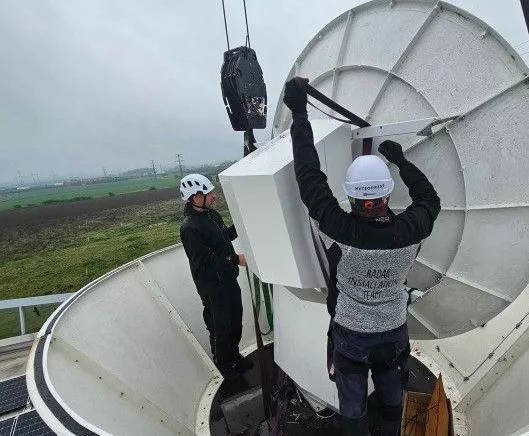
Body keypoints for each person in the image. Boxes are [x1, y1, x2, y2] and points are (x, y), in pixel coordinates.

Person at [283, 77, 441, 436]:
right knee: (390, 401)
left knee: (353, 408)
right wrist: (400, 160)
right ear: (388, 193)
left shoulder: (338, 227)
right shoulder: (411, 229)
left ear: (350, 196)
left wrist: (299, 112)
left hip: (352, 337)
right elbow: (430, 200)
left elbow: (308, 176)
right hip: (393, 334)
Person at [179, 174, 253, 379]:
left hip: (228, 280)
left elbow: (224, 239)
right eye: (209, 193)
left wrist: (240, 224)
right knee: (221, 328)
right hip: (212, 287)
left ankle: (234, 356)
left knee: (235, 321)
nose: (213, 196)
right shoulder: (189, 228)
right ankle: (224, 368)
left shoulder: (212, 216)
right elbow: (205, 261)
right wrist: (236, 259)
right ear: (195, 198)